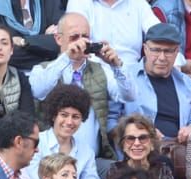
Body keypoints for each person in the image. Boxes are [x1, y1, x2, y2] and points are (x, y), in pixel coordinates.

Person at [29, 13, 136, 161]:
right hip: (51, 162)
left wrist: (116, 65)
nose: (80, 43)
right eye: (74, 37)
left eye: (85, 37)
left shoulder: (101, 69)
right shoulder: (42, 69)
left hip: (93, 159)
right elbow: (38, 90)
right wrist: (67, 57)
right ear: (58, 39)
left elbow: (129, 96)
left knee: (120, 174)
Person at [121, 23, 191, 146]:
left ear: (177, 52)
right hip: (137, 149)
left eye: (168, 51)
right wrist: (141, 131)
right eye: (156, 50)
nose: (162, 57)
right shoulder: (125, 77)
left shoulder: (185, 82)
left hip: (178, 149)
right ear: (145, 49)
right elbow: (111, 121)